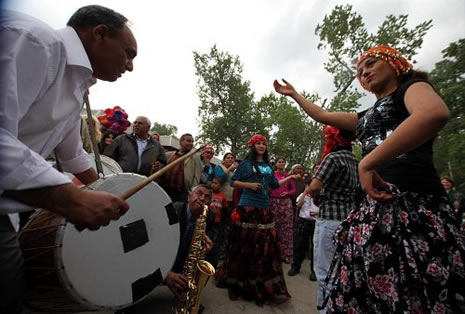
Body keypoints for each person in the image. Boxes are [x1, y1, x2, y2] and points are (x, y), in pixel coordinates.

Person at [274, 45, 465, 313]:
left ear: (396, 64)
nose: (364, 72)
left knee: (416, 291)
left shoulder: (410, 89)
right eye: (360, 71)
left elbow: (433, 114)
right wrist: (294, 94)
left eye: (371, 64)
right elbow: (322, 115)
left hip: (413, 206)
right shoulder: (366, 116)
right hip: (373, 211)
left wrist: (368, 161)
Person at [0, 5, 136, 312]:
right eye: (128, 54)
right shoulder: (35, 42)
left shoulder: (77, 86)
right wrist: (71, 199)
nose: (129, 66)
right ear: (100, 33)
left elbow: (72, 154)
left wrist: (109, 192)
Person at [216, 134, 295, 306]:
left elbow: (274, 185)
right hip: (247, 207)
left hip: (265, 209)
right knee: (244, 245)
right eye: (258, 143)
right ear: (253, 146)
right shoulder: (246, 164)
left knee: (262, 249)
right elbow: (233, 182)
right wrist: (249, 186)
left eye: (264, 144)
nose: (261, 146)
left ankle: (257, 284)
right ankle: (240, 284)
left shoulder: (268, 165)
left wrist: (289, 178)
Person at [165, 185, 216, 297]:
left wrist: (208, 243)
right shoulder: (174, 210)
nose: (202, 199)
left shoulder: (210, 216)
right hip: (166, 258)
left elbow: (212, 235)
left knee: (212, 258)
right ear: (189, 197)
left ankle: (191, 294)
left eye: (207, 197)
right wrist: (166, 274)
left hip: (186, 259)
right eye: (199, 193)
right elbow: (156, 244)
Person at [288, 174, 319, 281]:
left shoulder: (319, 197)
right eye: (310, 185)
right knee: (299, 246)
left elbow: (323, 210)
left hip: (315, 223)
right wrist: (305, 192)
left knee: (315, 248)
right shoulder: (303, 195)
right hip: (303, 222)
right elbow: (299, 205)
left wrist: (317, 213)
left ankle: (314, 271)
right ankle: (295, 267)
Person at [213, 152, 238, 267]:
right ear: (223, 160)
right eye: (228, 158)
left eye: (232, 158)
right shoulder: (219, 168)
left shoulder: (233, 171)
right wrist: (229, 169)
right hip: (220, 201)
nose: (230, 159)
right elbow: (220, 179)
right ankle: (215, 253)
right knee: (219, 226)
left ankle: (223, 253)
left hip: (230, 201)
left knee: (227, 226)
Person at [270, 156, 296, 264]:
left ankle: (285, 254)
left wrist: (288, 193)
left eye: (283, 162)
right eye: (279, 162)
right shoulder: (272, 175)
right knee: (273, 227)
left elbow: (294, 189)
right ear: (275, 164)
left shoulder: (288, 176)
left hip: (285, 203)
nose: (281, 164)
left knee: (286, 229)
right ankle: (271, 253)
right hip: (273, 202)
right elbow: (269, 187)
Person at [163, 133, 201, 204]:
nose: (191, 143)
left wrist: (192, 192)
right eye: (188, 141)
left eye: (192, 141)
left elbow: (197, 177)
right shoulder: (169, 155)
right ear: (181, 142)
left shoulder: (195, 157)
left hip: (182, 194)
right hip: (166, 191)